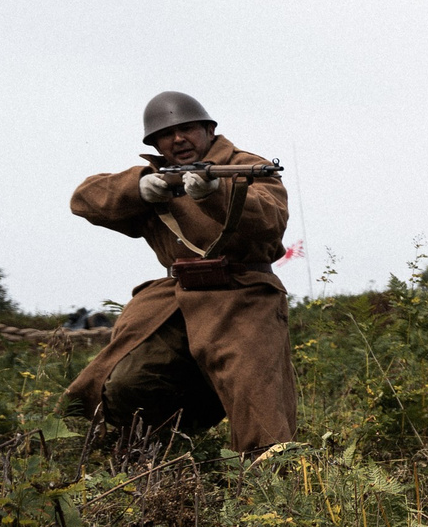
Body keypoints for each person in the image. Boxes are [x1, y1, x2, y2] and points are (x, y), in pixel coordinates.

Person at [63, 91, 296, 453]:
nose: (178, 139)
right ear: (155, 144)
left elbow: (269, 220)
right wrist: (138, 189)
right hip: (174, 301)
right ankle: (155, 457)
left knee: (257, 405)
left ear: (207, 129)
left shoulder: (246, 166)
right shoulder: (156, 177)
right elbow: (84, 198)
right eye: (165, 135)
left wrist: (214, 194)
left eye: (186, 128)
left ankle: (270, 491)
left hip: (243, 295)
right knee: (125, 383)